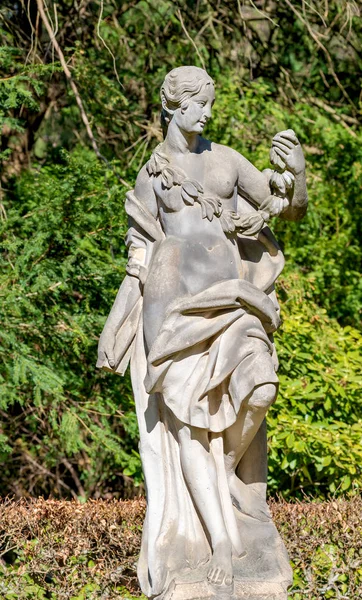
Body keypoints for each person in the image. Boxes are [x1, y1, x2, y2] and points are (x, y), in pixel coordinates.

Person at [97, 66, 307, 599]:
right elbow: (139, 255)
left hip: (233, 298)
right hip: (170, 304)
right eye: (198, 104)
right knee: (188, 425)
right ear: (172, 106)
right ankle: (217, 542)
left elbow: (287, 207)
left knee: (261, 386)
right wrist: (117, 323)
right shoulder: (153, 172)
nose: (207, 113)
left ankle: (231, 480)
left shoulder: (227, 160)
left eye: (210, 103)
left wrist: (297, 174)